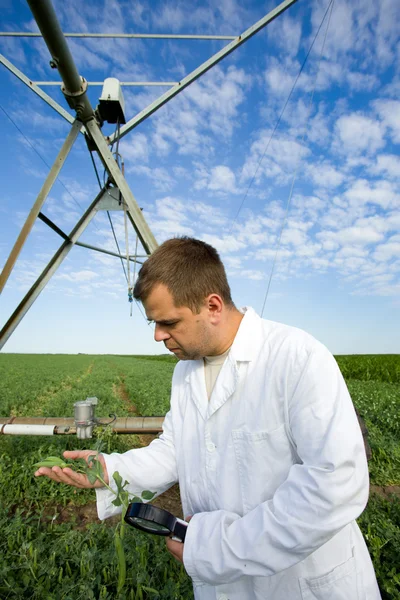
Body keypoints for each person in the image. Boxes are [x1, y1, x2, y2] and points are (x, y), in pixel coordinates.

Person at [35, 237, 381, 600]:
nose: (157, 336)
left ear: (212, 305)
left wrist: (220, 549)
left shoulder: (296, 358)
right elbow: (175, 448)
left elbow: (334, 484)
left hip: (302, 583)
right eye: (154, 323)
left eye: (168, 322)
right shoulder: (185, 373)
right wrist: (109, 470)